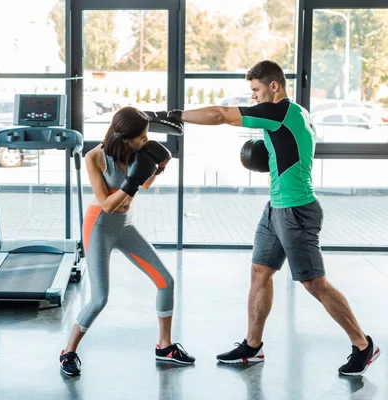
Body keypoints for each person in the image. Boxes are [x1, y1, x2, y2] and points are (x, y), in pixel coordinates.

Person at [151, 60, 380, 376]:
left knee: (314, 283)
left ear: (275, 86)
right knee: (260, 272)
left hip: (296, 210)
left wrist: (171, 115)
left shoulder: (280, 112)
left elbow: (221, 115)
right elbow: (271, 140)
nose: (254, 98)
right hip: (276, 208)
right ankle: (253, 346)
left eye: (257, 91)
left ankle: (362, 344)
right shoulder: (295, 113)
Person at [59, 106, 194, 377]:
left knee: (166, 281)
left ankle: (164, 346)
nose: (145, 140)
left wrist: (160, 168)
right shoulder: (94, 157)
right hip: (99, 226)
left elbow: (142, 186)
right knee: (99, 299)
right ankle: (68, 352)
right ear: (123, 136)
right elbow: (107, 204)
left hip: (126, 225)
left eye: (146, 135)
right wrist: (131, 181)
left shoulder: (137, 151)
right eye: (140, 137)